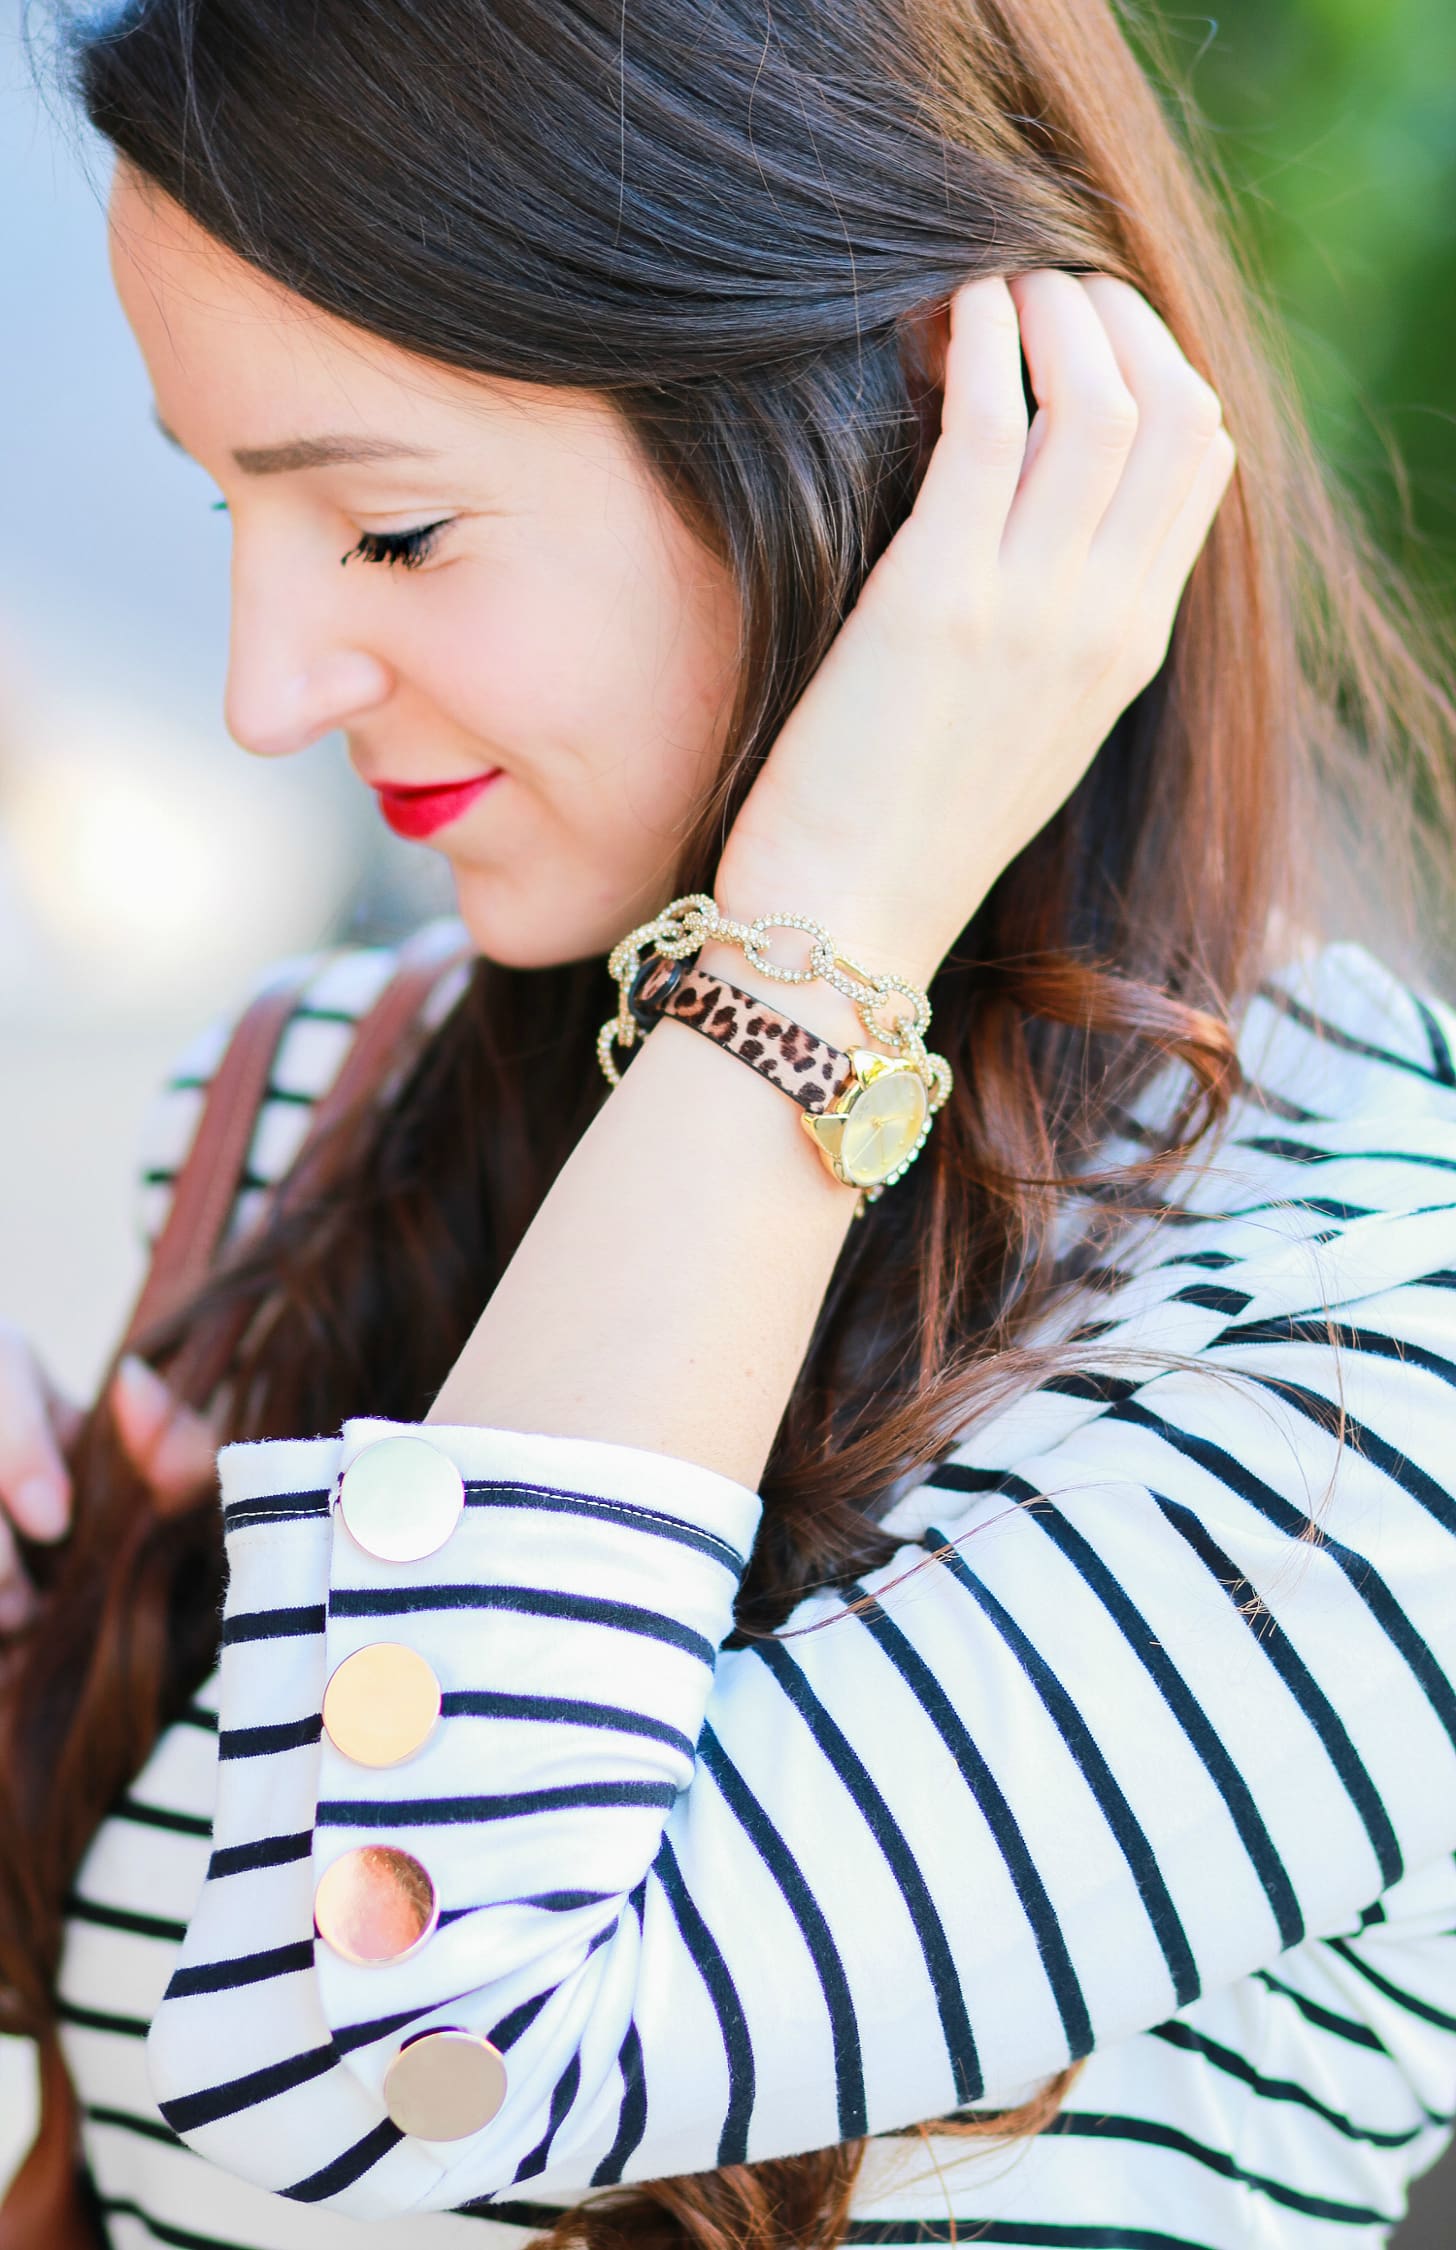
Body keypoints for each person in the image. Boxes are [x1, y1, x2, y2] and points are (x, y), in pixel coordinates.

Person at [3, 0, 1455, 2243]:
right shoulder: (325, 1094)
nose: (261, 685)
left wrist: (814, 950)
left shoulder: (1371, 1366)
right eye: (228, 505)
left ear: (924, 445)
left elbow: (394, 2070)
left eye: (385, 533)